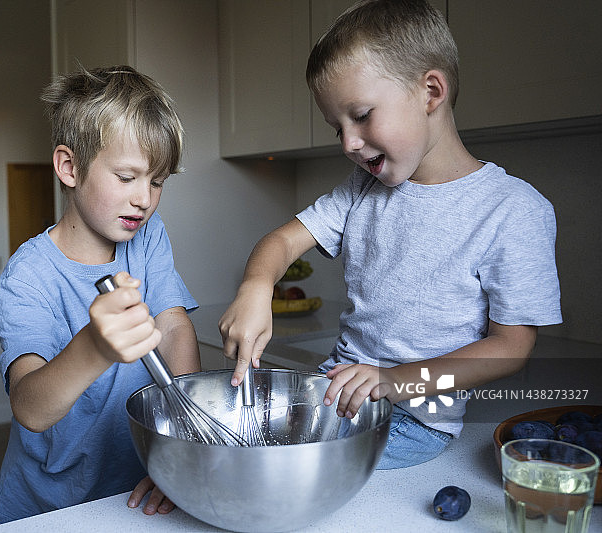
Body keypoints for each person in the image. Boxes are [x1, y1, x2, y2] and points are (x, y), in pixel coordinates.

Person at [218, 0, 561, 469]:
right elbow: (281, 242)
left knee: (264, 470)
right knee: (227, 440)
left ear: (431, 91)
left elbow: (511, 347)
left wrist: (394, 380)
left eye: (361, 115)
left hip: (413, 419)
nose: (348, 143)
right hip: (336, 390)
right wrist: (256, 287)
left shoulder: (512, 209)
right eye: (336, 127)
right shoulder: (362, 190)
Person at [0, 65, 199, 523]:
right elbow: (30, 406)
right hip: (49, 506)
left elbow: (174, 326)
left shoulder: (148, 236)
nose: (144, 198)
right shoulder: (28, 276)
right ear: (69, 167)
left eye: (157, 181)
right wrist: (95, 347)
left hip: (134, 489)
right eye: (127, 177)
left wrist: (181, 450)